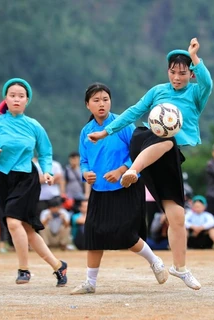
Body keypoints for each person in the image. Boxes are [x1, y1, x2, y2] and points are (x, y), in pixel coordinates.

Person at [86, 38, 212, 290]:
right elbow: (133, 112)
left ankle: (180, 268)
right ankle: (134, 169)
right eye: (173, 72)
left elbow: (207, 81)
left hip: (168, 155)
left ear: (190, 73)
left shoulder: (196, 93)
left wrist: (195, 57)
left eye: (183, 73)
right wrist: (105, 132)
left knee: (177, 216)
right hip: (146, 140)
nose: (177, 78)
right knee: (166, 141)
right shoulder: (157, 91)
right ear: (168, 72)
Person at [70, 83, 166, 295]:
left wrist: (121, 170)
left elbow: (138, 154)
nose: (101, 104)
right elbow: (84, 160)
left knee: (126, 234)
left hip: (126, 186)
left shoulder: (122, 124)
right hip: (100, 190)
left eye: (105, 99)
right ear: (88, 105)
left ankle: (155, 261)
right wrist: (86, 173)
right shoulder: (86, 131)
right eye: (96, 100)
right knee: (93, 235)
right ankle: (90, 283)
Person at [0, 78, 67, 286]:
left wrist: (47, 172)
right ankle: (58, 266)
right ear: (5, 99)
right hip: (2, 178)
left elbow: (45, 153)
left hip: (27, 178)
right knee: (26, 229)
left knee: (13, 222)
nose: (16, 99)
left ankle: (24, 269)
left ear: (27, 100)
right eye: (12, 95)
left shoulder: (34, 125)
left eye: (21, 96)